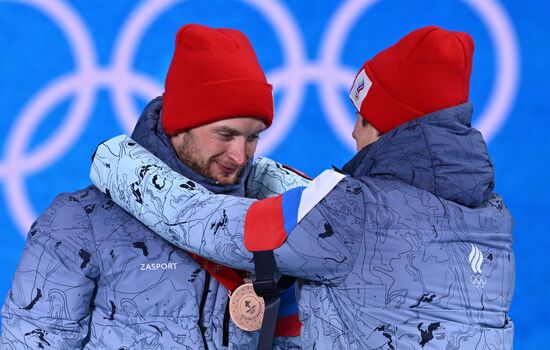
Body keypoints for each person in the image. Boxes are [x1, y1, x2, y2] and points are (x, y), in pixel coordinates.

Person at [89, 26, 516, 349]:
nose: (352, 133)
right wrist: (256, 169)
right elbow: (337, 226)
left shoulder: (354, 211)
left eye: (363, 118)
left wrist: (114, 157)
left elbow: (208, 225)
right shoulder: (492, 217)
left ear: (387, 128)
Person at [0, 24, 309, 349]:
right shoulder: (77, 222)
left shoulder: (276, 224)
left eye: (253, 137)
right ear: (180, 125)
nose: (240, 155)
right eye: (225, 134)